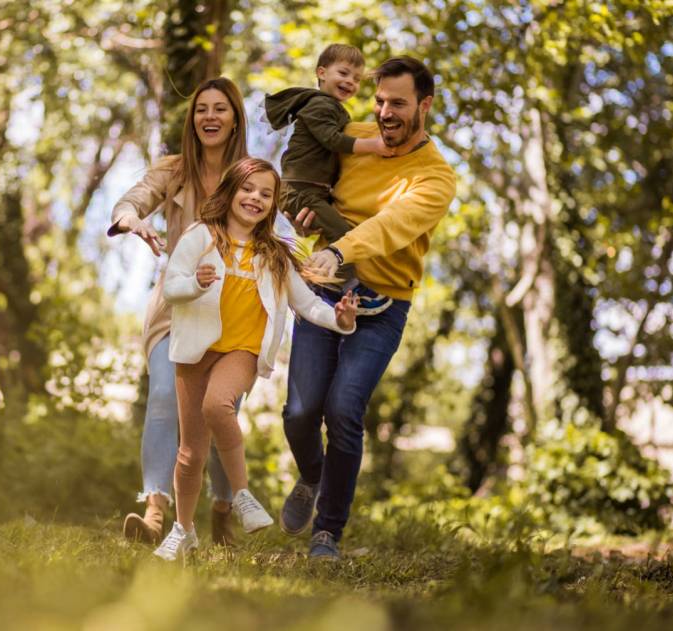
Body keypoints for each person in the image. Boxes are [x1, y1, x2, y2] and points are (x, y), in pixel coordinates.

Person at [278, 56, 458, 560]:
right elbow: (303, 175)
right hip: (324, 289)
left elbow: (391, 225)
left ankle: (327, 533)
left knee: (343, 409)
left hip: (383, 304)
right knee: (299, 412)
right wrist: (304, 210)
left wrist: (339, 250)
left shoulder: (435, 177)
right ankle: (312, 476)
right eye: (379, 101)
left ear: (425, 105)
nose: (384, 113)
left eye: (397, 103)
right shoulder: (352, 136)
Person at [152, 157, 358, 561]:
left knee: (218, 405)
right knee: (190, 453)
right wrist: (195, 284)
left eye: (266, 194)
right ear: (231, 191)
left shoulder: (276, 255)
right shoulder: (201, 237)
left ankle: (242, 495)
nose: (256, 199)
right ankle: (184, 529)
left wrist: (339, 319)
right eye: (248, 189)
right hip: (196, 349)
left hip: (242, 352)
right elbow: (171, 287)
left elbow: (307, 303)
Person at [108, 78, 249, 547]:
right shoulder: (172, 171)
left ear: (234, 119)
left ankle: (223, 509)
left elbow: (281, 227)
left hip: (234, 312)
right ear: (193, 121)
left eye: (220, 109)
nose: (209, 117)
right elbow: (131, 199)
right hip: (178, 306)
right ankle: (154, 514)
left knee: (219, 411)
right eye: (201, 110)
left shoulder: (251, 177)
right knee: (166, 397)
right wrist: (132, 219)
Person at [264, 43, 394, 285]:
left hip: (310, 191)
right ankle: (343, 286)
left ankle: (321, 278)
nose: (350, 82)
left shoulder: (331, 107)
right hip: (300, 192)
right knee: (344, 237)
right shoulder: (320, 104)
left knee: (343, 233)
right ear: (322, 73)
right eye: (343, 73)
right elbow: (332, 140)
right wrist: (374, 145)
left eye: (356, 79)